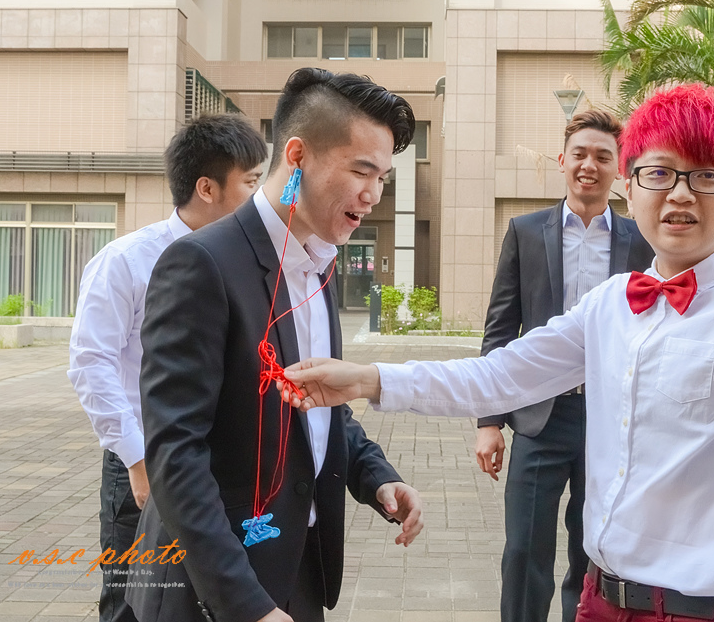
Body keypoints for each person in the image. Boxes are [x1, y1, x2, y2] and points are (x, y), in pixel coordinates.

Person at [281, 84, 714, 622]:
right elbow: (499, 376)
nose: (680, 194)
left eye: (706, 176)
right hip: (599, 602)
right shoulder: (610, 304)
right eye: (659, 173)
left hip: (710, 611)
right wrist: (369, 379)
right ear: (630, 185)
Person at [127, 68, 424, 622]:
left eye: (382, 177)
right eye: (361, 170)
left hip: (299, 567)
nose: (372, 194)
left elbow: (315, 405)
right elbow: (175, 451)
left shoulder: (317, 264)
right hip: (213, 588)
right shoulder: (202, 263)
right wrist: (246, 605)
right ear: (297, 156)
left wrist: (377, 477)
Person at [68, 113, 268, 622]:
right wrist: (138, 461)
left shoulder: (250, 260)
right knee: (133, 602)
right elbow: (91, 363)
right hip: (144, 460)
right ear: (207, 188)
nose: (260, 196)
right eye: (250, 183)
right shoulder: (126, 260)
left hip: (219, 463)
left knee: (212, 596)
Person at [475, 109, 653, 622]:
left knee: (593, 551)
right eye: (580, 154)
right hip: (539, 418)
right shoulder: (526, 232)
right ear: (563, 160)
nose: (589, 165)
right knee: (523, 551)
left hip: (611, 421)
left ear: (619, 168)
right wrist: (489, 421)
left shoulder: (641, 240)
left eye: (602, 156)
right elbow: (500, 330)